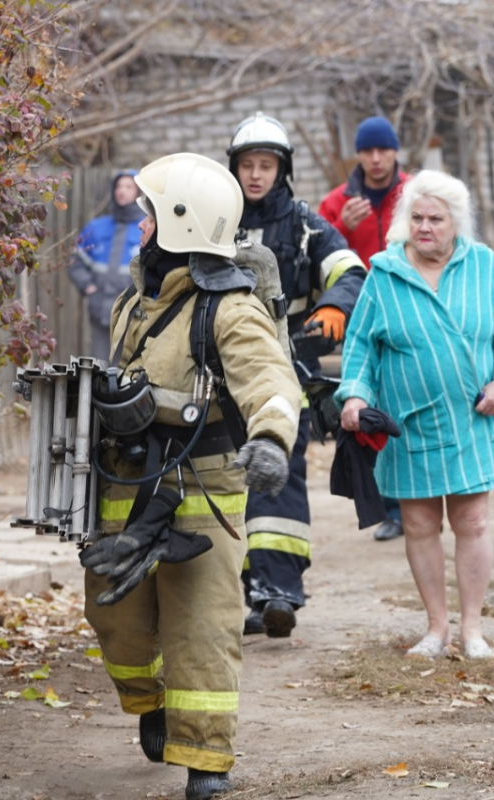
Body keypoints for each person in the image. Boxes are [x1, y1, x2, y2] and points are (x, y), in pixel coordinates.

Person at [82, 152, 301, 800]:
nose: (139, 223)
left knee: (202, 629)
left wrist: (269, 439)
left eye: (148, 213)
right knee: (113, 617)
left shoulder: (228, 309)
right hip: (125, 492)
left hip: (203, 491)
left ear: (179, 224)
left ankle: (208, 764)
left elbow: (272, 382)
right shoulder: (132, 300)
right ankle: (150, 701)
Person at [334, 170, 494, 661]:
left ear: (455, 222)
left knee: (474, 521)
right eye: (417, 217)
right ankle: (436, 629)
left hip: (472, 417)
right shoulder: (383, 273)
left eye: (436, 219)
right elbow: (359, 348)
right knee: (420, 525)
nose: (425, 227)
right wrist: (355, 397)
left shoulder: (485, 266)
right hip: (408, 425)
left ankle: (472, 630)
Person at [225, 112, 367, 638]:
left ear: (281, 170)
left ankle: (278, 591)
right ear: (233, 168)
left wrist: (333, 306)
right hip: (222, 379)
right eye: (247, 165)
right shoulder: (213, 221)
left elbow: (349, 270)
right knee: (226, 484)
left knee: (277, 481)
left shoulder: (306, 224)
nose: (256, 174)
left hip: (288, 375)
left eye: (265, 165)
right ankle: (245, 593)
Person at [318, 115, 412, 542]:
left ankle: (417, 504)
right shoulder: (337, 202)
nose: (376, 159)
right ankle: (390, 510)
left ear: (395, 152)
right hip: (361, 318)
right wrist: (343, 228)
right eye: (368, 151)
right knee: (370, 414)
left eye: (384, 150)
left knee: (407, 409)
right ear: (358, 155)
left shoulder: (415, 193)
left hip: (409, 313)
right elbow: (317, 258)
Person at [68, 170, 144, 360]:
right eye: (119, 186)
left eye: (128, 187)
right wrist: (89, 287)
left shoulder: (146, 227)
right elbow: (74, 261)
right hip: (100, 309)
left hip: (135, 313)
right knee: (100, 365)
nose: (122, 191)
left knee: (130, 368)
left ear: (138, 192)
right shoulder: (96, 227)